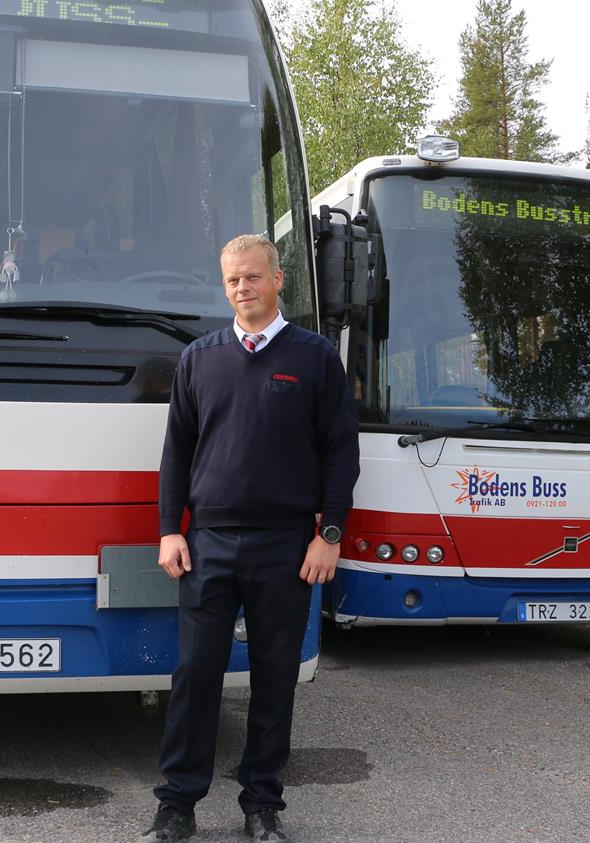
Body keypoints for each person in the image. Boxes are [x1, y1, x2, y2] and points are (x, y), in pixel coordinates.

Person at [139, 235, 360, 842]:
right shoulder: (200, 358)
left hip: (288, 548)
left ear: (278, 279)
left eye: (254, 277)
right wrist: (168, 531)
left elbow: (341, 452)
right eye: (233, 279)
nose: (243, 288)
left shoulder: (315, 359)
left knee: (274, 678)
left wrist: (330, 535)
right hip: (208, 544)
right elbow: (175, 454)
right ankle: (176, 807)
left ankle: (262, 806)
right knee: (195, 676)